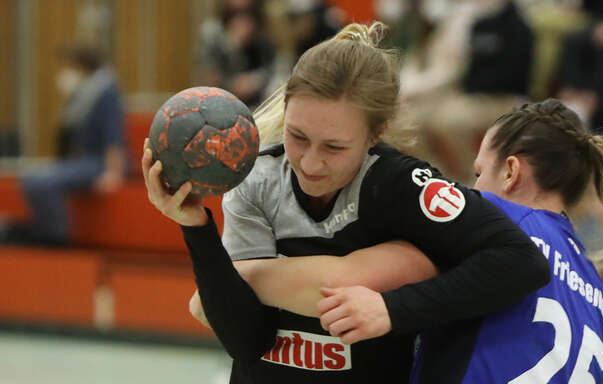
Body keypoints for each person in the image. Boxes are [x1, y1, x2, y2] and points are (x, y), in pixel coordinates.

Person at [143, 21, 550, 383]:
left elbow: (521, 262)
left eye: (335, 147)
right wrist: (196, 228)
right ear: (285, 111)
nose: (310, 161)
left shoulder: (402, 183)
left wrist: (393, 309)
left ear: (377, 134)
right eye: (297, 136)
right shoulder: (256, 179)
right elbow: (248, 341)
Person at [1, 43, 126, 246]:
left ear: (82, 66)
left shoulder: (105, 91)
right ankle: (42, 232)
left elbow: (114, 136)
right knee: (32, 177)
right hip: (81, 159)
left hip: (98, 162)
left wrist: (113, 172)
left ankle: (57, 239)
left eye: (69, 67)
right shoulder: (81, 95)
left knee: (42, 182)